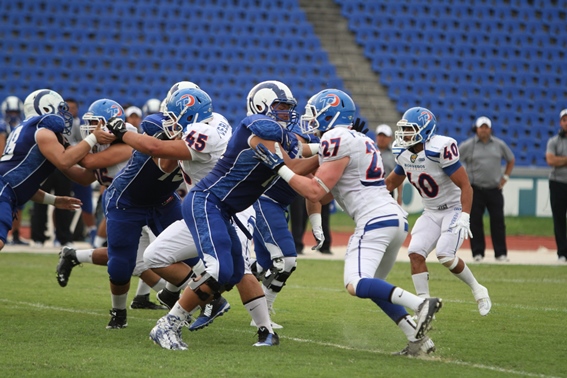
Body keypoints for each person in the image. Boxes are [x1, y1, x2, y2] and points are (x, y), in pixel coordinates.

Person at [253, 89, 442, 356]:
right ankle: (418, 340)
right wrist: (283, 168)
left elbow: (315, 191)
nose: (312, 121)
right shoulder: (358, 139)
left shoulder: (335, 137)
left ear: (331, 116)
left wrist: (279, 167)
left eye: (316, 115)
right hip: (394, 219)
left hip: (374, 219)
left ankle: (420, 305)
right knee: (376, 286)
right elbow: (319, 185)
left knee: (355, 283)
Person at [146, 80, 315, 350]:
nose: (286, 113)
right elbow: (288, 163)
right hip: (208, 202)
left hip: (223, 207)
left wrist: (329, 153)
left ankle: (264, 330)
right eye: (280, 107)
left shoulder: (268, 136)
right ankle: (172, 321)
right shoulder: (254, 127)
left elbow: (295, 161)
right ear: (261, 107)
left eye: (287, 108)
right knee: (214, 268)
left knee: (235, 269)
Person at [55, 98, 166, 310]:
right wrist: (59, 161)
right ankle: (171, 297)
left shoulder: (126, 146)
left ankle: (165, 296)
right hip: (125, 205)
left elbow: (86, 162)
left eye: (96, 122)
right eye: (91, 122)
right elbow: (83, 177)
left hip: (143, 202)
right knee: (134, 258)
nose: (91, 128)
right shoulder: (98, 146)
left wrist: (65, 150)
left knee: (151, 256)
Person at [385, 106, 492, 317]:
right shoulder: (403, 152)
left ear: (425, 130)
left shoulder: (440, 149)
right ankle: (425, 306)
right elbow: (391, 182)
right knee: (415, 254)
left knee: (445, 255)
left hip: (453, 208)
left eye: (410, 129)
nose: (405, 134)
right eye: (404, 129)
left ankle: (478, 289)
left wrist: (465, 215)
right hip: (431, 211)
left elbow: (465, 186)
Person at [0, 89, 113, 252]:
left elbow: (21, 183)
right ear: (46, 109)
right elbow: (65, 161)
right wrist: (92, 138)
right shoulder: (43, 131)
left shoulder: (29, 129)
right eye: (60, 109)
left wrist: (54, 200)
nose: (64, 115)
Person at [459, 116, 515, 262]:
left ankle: (501, 253)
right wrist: (463, 180)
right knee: (475, 222)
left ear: (490, 129)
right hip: (475, 189)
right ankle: (478, 253)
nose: (484, 130)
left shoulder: (499, 144)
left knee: (498, 222)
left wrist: (505, 177)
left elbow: (511, 159)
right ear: (476, 129)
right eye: (481, 127)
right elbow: (455, 160)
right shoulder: (468, 145)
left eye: (486, 127)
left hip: (494, 189)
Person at [0, 95, 28, 245]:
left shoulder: (21, 126)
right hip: (5, 169)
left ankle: (16, 235)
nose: (13, 115)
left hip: (16, 170)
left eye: (15, 111)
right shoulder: (3, 127)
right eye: (10, 111)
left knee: (18, 205)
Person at [545, 109, 567, 263]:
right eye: (564, 120)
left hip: (560, 178)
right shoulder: (554, 141)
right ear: (561, 122)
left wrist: (562, 160)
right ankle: (562, 253)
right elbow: (551, 160)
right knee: (559, 219)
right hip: (558, 183)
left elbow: (556, 160)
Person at [375, 124, 403, 204]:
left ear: (390, 138)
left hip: (388, 190)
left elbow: (399, 176)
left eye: (384, 136)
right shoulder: (370, 151)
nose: (382, 138)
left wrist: (399, 196)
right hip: (371, 189)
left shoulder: (395, 154)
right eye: (380, 135)